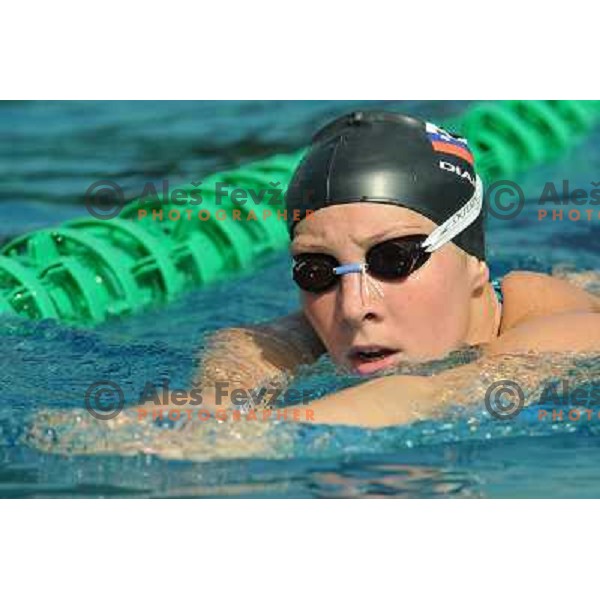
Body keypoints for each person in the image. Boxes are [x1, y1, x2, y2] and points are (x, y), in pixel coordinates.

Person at [193, 110, 600, 427]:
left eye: (393, 259)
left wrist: (256, 433)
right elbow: (250, 346)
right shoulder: (327, 318)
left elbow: (433, 394)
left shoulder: (572, 332)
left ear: (475, 266)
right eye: (317, 270)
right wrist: (209, 406)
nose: (353, 307)